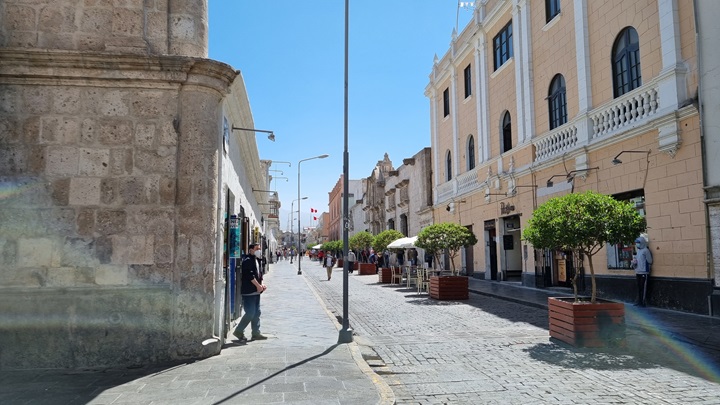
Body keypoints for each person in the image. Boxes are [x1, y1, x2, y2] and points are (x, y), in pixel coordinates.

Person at [232, 243, 268, 342]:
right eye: (257, 248)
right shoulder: (247, 261)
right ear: (251, 249)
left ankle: (256, 333)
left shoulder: (258, 260)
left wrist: (262, 285)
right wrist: (258, 286)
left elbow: (259, 275)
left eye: (260, 249)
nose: (259, 250)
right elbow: (250, 275)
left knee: (257, 312)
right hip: (249, 291)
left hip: (256, 291)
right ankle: (239, 331)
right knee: (250, 313)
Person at [632, 236, 653, 307]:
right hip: (638, 271)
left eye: (638, 243)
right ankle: (639, 301)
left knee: (643, 287)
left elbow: (650, 261)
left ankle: (643, 302)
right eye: (636, 243)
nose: (637, 244)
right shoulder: (638, 250)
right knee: (639, 287)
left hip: (644, 272)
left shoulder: (646, 250)